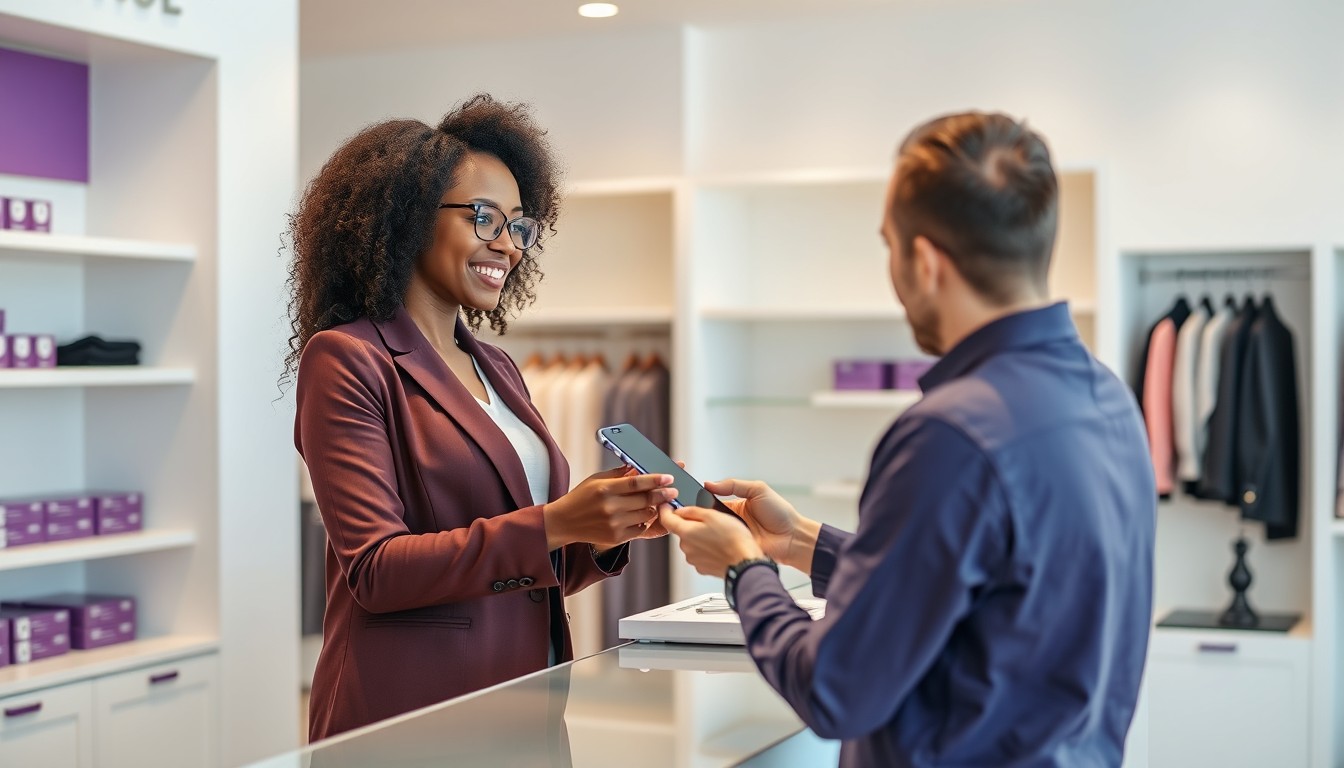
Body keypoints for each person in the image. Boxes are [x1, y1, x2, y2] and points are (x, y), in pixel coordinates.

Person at [661, 112, 1156, 766]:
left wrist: (744, 568)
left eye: (889, 246)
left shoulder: (950, 435)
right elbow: (984, 594)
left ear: (924, 262)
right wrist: (802, 542)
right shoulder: (1108, 400)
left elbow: (835, 689)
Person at [285, 94, 675, 742]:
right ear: (410, 218)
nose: (508, 246)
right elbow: (376, 570)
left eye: (519, 226)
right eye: (485, 218)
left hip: (527, 707)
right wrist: (556, 521)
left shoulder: (496, 366)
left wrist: (603, 529)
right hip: (410, 722)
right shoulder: (348, 360)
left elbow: (527, 569)